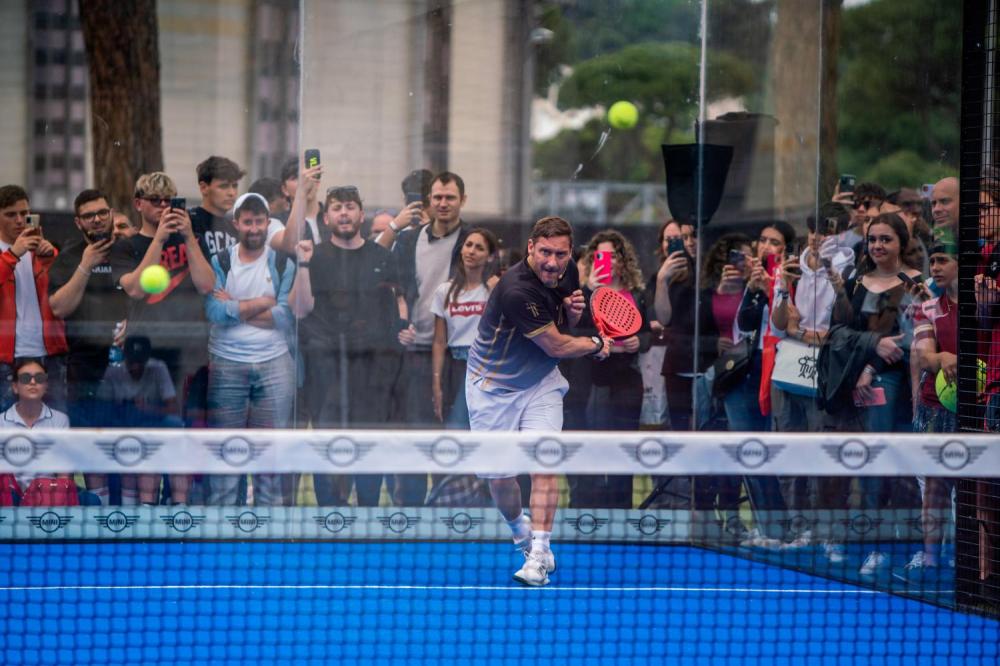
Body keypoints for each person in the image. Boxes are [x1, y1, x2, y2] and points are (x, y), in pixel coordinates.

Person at [466, 215, 611, 587]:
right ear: (530, 248)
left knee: (544, 463)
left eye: (560, 254)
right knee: (500, 481)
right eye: (544, 252)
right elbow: (558, 344)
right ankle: (520, 533)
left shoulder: (569, 271)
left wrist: (573, 316)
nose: (552, 261)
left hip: (541, 383)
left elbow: (563, 326)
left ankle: (539, 554)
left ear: (570, 253)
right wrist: (596, 344)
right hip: (492, 388)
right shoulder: (517, 289)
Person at [289, 178, 406, 507]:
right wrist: (303, 263)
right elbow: (300, 309)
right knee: (328, 444)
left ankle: (368, 511)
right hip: (326, 370)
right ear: (327, 218)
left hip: (373, 372)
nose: (343, 213)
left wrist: (403, 327)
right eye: (337, 208)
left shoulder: (381, 256)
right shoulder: (315, 255)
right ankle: (330, 514)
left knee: (370, 444)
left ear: (361, 215)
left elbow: (398, 301)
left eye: (350, 207)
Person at [120, 172, 215, 503]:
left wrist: (188, 238)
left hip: (188, 355)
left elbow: (207, 285)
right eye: (155, 201)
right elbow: (134, 288)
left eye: (170, 202)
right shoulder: (129, 245)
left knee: (182, 438)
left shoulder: (191, 241)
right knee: (149, 438)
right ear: (138, 204)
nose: (163, 208)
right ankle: (146, 510)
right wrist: (158, 240)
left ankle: (180, 509)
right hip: (145, 357)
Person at [204, 193, 296, 506]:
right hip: (226, 364)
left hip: (275, 363)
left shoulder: (282, 261)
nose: (254, 227)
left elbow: (285, 317)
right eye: (247, 221)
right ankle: (222, 537)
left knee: (269, 454)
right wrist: (261, 304)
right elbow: (214, 313)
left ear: (268, 224)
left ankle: (269, 537)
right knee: (228, 452)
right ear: (236, 224)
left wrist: (235, 307)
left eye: (259, 221)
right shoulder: (221, 261)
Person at [48, 188, 136, 505]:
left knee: (128, 442)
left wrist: (134, 324)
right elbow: (58, 308)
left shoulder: (129, 251)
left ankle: (130, 511)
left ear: (111, 213)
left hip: (130, 365)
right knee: (90, 442)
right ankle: (99, 512)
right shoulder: (70, 256)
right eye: (89, 215)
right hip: (84, 366)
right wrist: (86, 265)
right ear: (78, 222)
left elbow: (145, 296)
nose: (97, 220)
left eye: (102, 212)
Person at [390, 171, 472, 505]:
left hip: (460, 356)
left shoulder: (474, 240)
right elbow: (394, 287)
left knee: (454, 440)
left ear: (462, 201)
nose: (442, 203)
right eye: (437, 197)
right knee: (415, 439)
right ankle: (409, 513)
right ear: (429, 201)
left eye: (450, 197)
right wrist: (401, 320)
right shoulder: (408, 241)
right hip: (416, 354)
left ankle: (449, 511)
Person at [566, 230, 651, 508]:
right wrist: (589, 289)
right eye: (601, 256)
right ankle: (585, 508)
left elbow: (649, 334)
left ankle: (621, 509)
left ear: (623, 259)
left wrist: (639, 342)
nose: (608, 261)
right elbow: (574, 330)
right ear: (592, 259)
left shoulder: (636, 294)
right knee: (588, 446)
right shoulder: (582, 292)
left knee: (622, 450)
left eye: (614, 255)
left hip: (626, 379)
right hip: (589, 381)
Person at [896, 233, 958, 583]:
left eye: (942, 261)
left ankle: (968, 561)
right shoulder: (928, 306)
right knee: (934, 487)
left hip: (977, 412)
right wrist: (942, 357)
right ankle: (931, 558)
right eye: (932, 261)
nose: (935, 267)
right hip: (936, 410)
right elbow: (923, 353)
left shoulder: (985, 302)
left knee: (973, 490)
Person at [427, 228, 498, 507]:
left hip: (489, 371)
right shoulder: (445, 291)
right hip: (456, 370)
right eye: (468, 245)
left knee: (488, 439)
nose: (471, 251)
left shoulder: (495, 289)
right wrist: (436, 384)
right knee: (456, 435)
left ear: (489, 255)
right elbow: (439, 341)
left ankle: (492, 504)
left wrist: (496, 289)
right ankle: (458, 503)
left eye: (479, 247)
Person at [0, 185, 67, 411]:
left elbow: (65, 298)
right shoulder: (9, 254)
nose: (19, 220)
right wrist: (12, 255)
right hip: (5, 359)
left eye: (25, 214)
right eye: (11, 214)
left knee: (58, 428)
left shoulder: (43, 251)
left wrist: (50, 260)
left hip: (49, 355)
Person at [98, 336, 183, 505]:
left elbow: (175, 410)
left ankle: (171, 498)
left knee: (175, 424)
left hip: (153, 423)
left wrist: (147, 408)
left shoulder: (158, 367)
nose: (136, 367)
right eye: (132, 362)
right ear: (125, 357)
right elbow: (100, 410)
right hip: (121, 425)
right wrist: (123, 408)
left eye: (140, 362)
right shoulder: (113, 371)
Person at [1, 358, 73, 506]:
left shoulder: (60, 420)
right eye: (25, 378)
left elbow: (64, 475)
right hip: (9, 496)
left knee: (90, 499)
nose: (33, 382)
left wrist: (54, 501)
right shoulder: (1, 422)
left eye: (39, 378)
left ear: (46, 386)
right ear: (15, 387)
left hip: (48, 495)